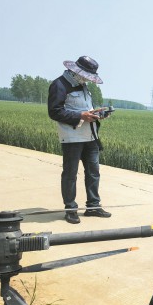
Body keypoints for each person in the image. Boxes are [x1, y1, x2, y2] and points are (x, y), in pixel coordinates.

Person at [48, 56, 112, 224]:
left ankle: (93, 206)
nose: (87, 79)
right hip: (72, 137)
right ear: (76, 71)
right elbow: (54, 111)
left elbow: (86, 109)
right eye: (86, 75)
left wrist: (96, 113)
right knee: (70, 173)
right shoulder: (59, 85)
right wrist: (81, 116)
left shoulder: (84, 86)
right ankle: (70, 209)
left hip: (90, 136)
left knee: (93, 171)